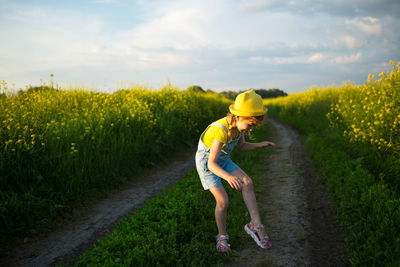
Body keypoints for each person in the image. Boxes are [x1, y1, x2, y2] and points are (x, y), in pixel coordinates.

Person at [195, 89, 276, 252]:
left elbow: (242, 146)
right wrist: (228, 177)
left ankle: (255, 225)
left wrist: (260, 144)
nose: (251, 129)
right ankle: (222, 237)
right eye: (250, 125)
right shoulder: (220, 129)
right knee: (223, 201)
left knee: (247, 182)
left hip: (222, 160)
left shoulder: (239, 128)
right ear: (238, 117)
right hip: (208, 164)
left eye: (254, 126)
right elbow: (211, 164)